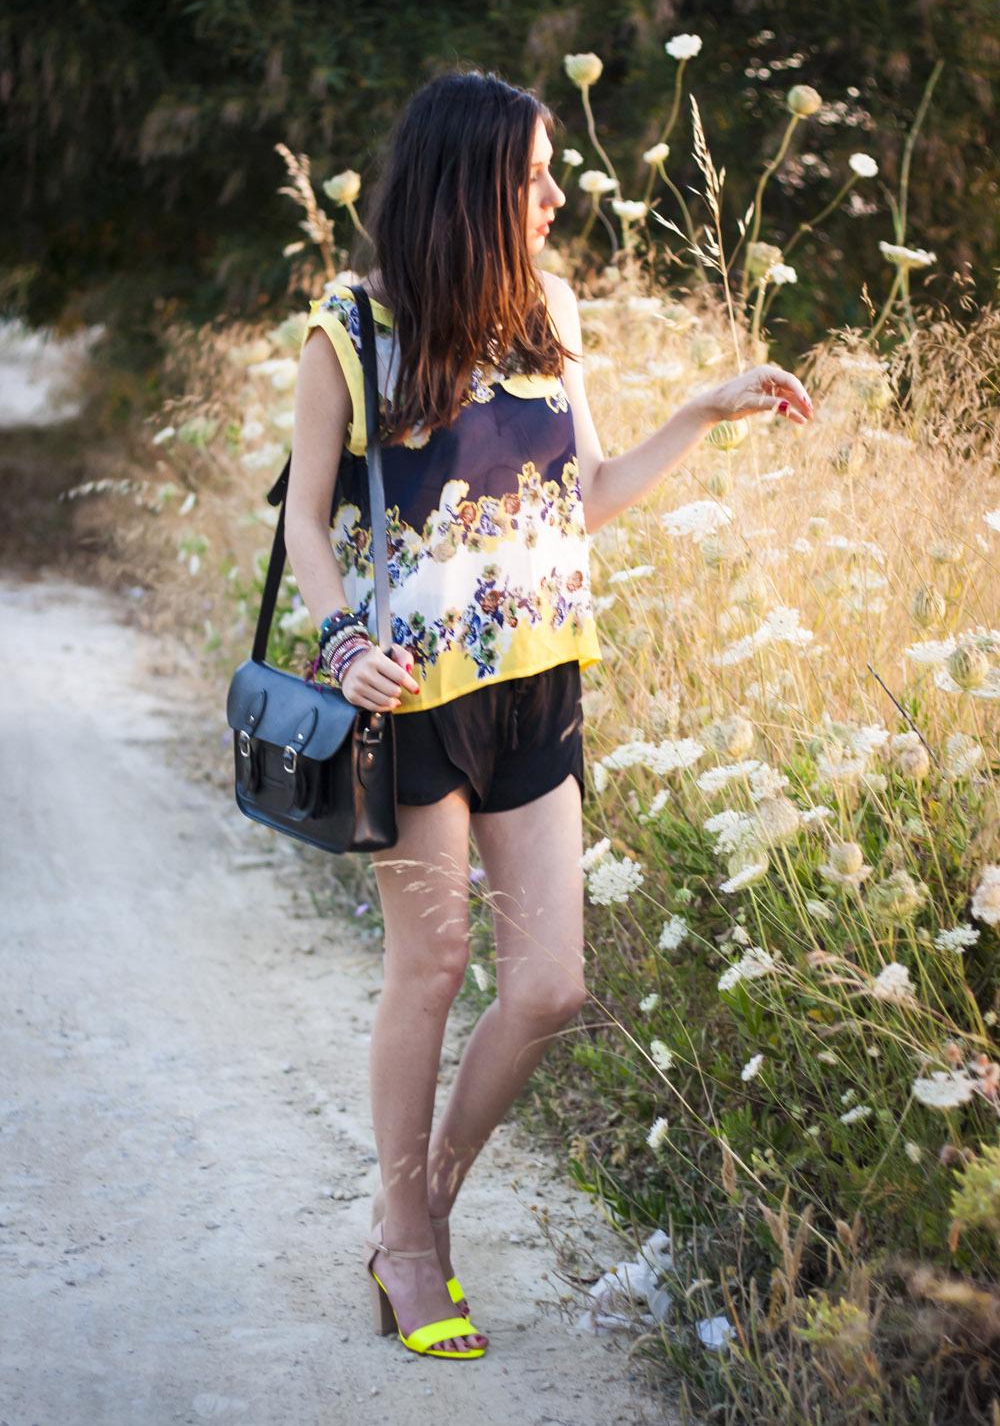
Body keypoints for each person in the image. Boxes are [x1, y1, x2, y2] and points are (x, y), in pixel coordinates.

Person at [285, 67, 814, 1361]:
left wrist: (698, 410)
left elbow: (579, 495)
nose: (554, 196)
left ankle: (420, 1201)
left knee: (552, 986)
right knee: (437, 964)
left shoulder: (550, 317)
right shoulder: (353, 331)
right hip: (413, 699)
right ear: (472, 186)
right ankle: (411, 1246)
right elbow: (305, 523)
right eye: (533, 176)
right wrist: (345, 639)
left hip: (537, 683)